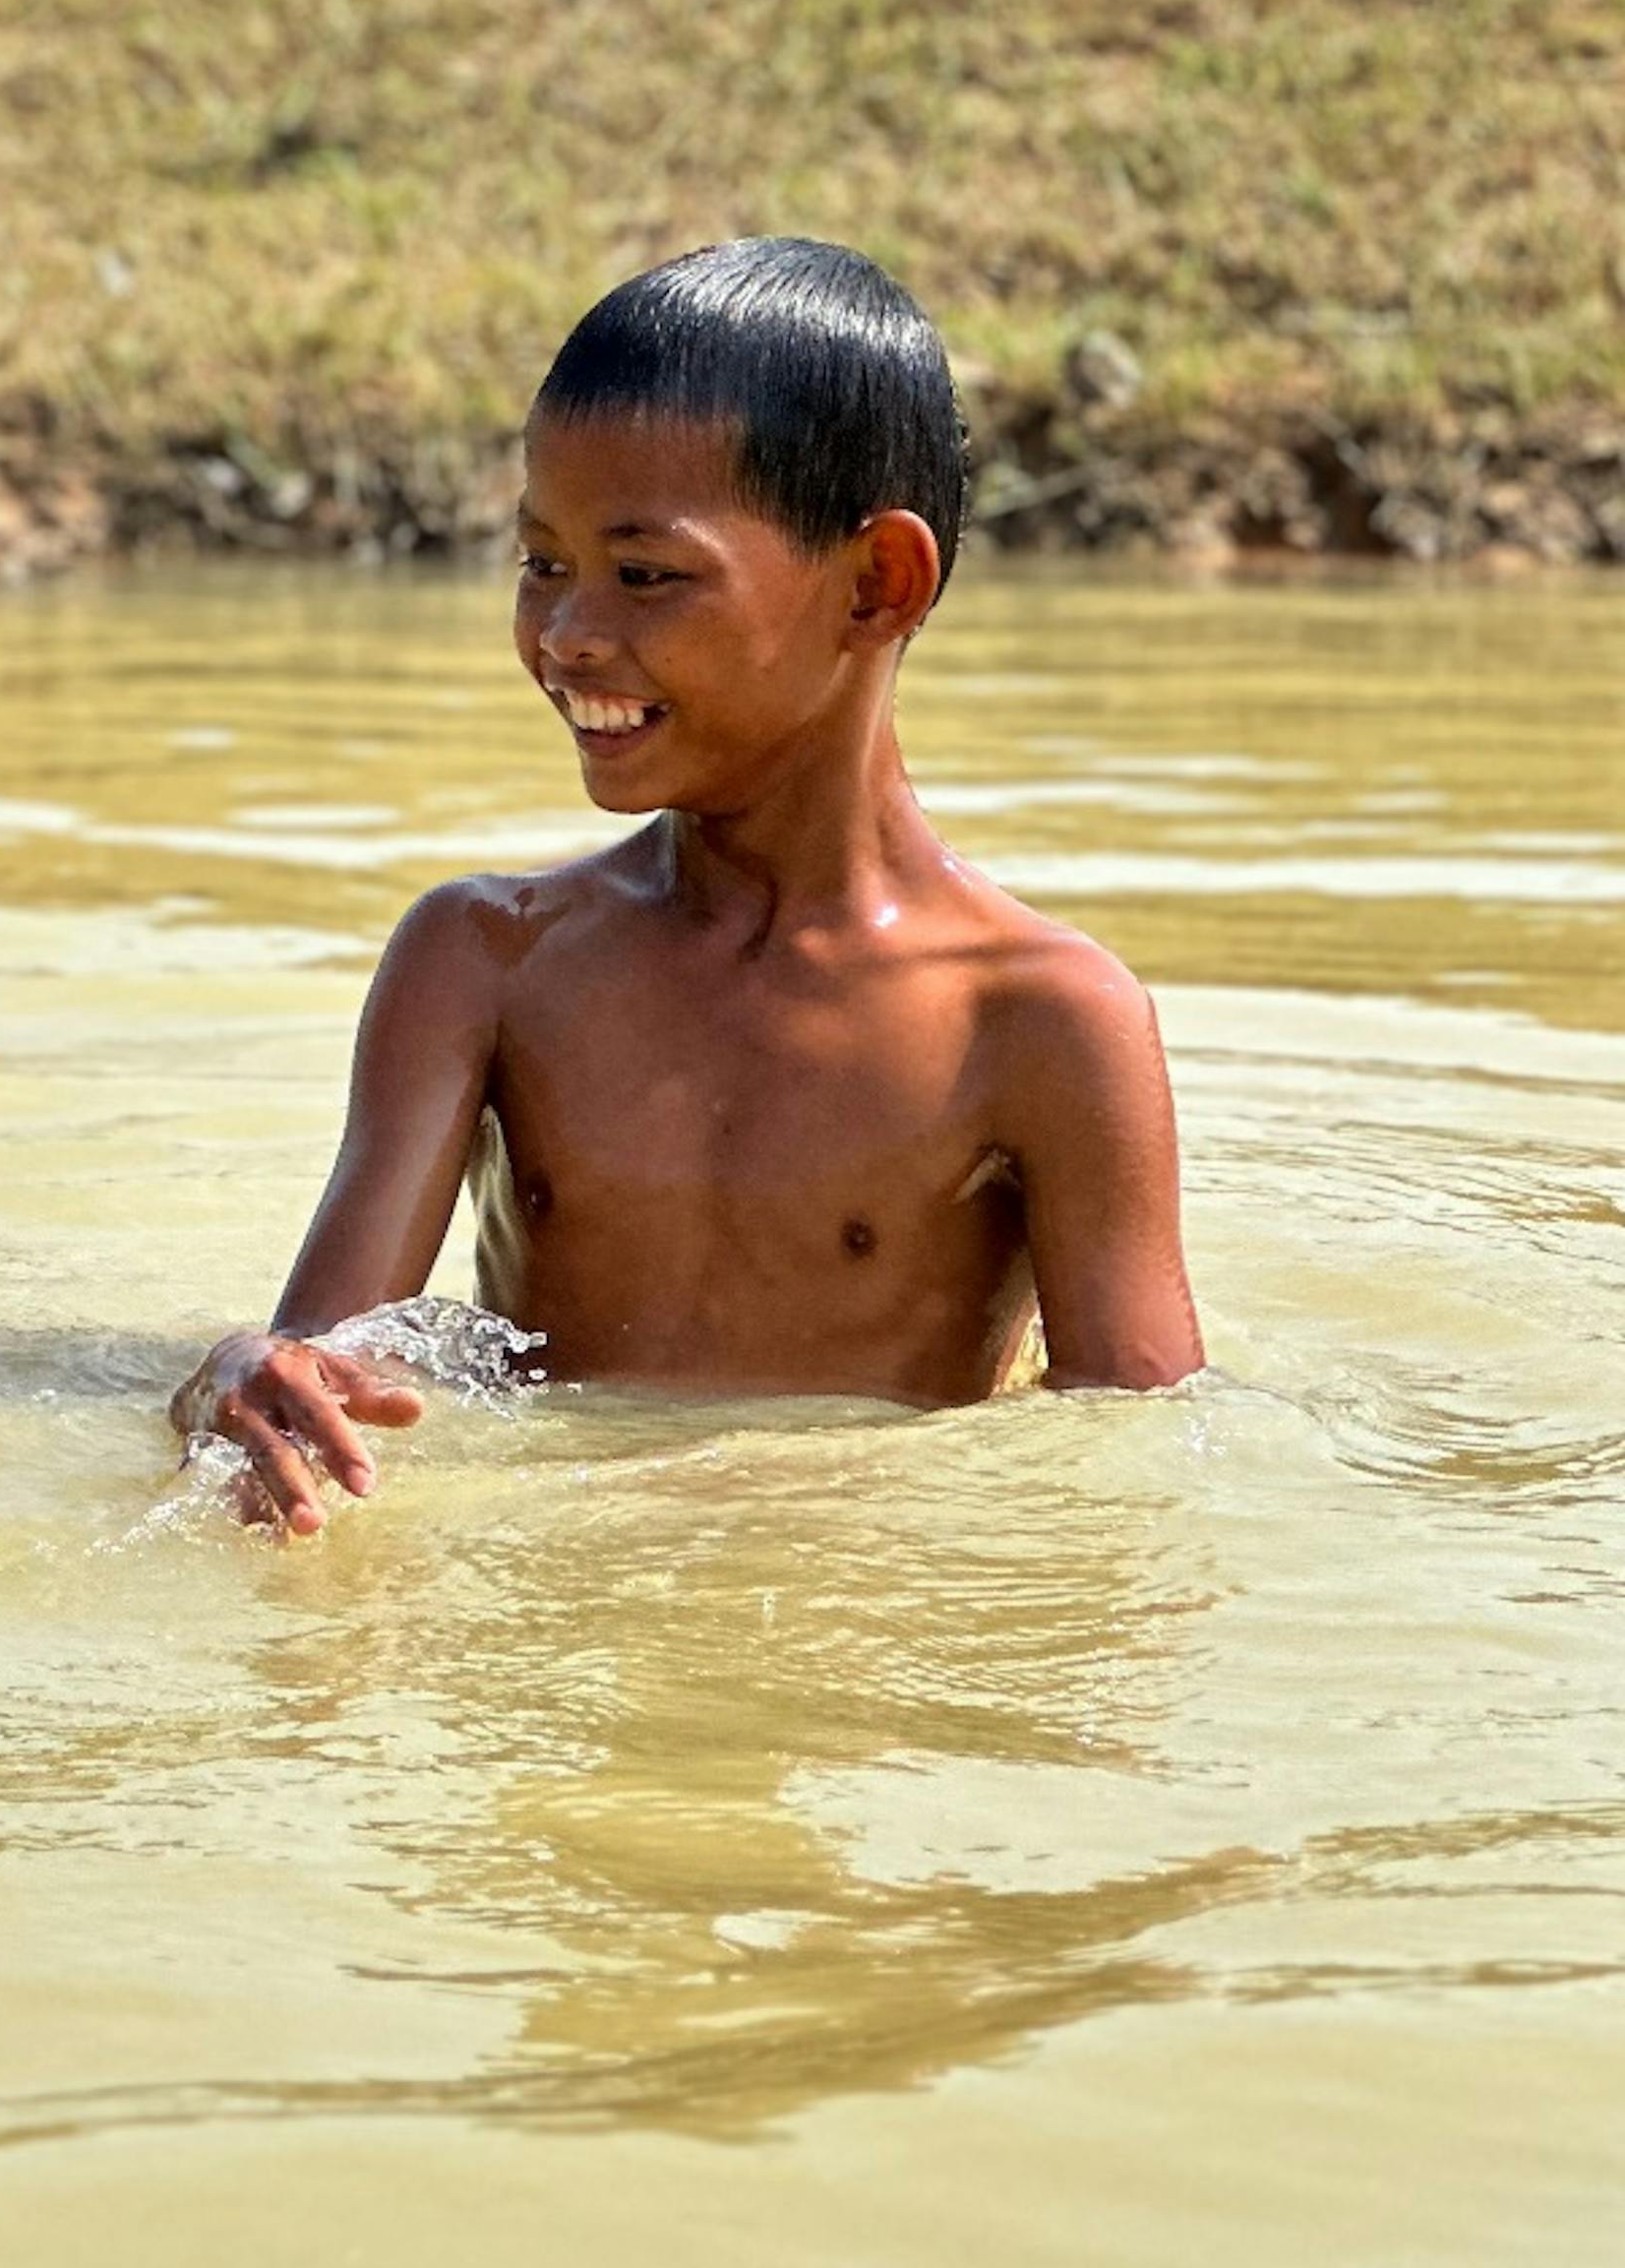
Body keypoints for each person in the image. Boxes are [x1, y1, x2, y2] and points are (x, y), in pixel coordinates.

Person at [176, 239, 1203, 1535]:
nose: (567, 634)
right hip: (552, 1631)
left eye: (644, 575)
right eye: (539, 563)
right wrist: (231, 1378)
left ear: (878, 584)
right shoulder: (485, 963)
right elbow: (319, 1390)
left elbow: (1135, 1483)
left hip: (859, 1629)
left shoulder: (1043, 1022)